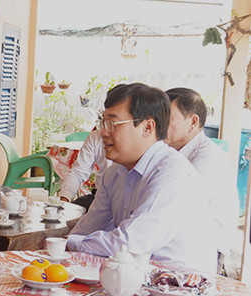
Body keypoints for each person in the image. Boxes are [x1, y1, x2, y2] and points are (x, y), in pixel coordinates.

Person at [67, 83, 217, 274]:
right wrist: (66, 244)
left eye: (112, 124)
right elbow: (88, 228)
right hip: (135, 277)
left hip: (179, 286)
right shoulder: (114, 173)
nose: (103, 132)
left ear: (147, 127)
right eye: (102, 123)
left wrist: (72, 243)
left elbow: (130, 244)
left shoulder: (172, 173)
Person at [165, 87, 238, 273]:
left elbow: (176, 205)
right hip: (176, 242)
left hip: (203, 251)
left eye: (167, 117)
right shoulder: (171, 152)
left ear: (193, 122)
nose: (159, 124)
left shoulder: (209, 158)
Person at [58, 129, 111, 210]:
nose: (104, 131)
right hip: (99, 196)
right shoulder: (96, 137)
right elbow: (78, 173)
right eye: (103, 122)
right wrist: (64, 201)